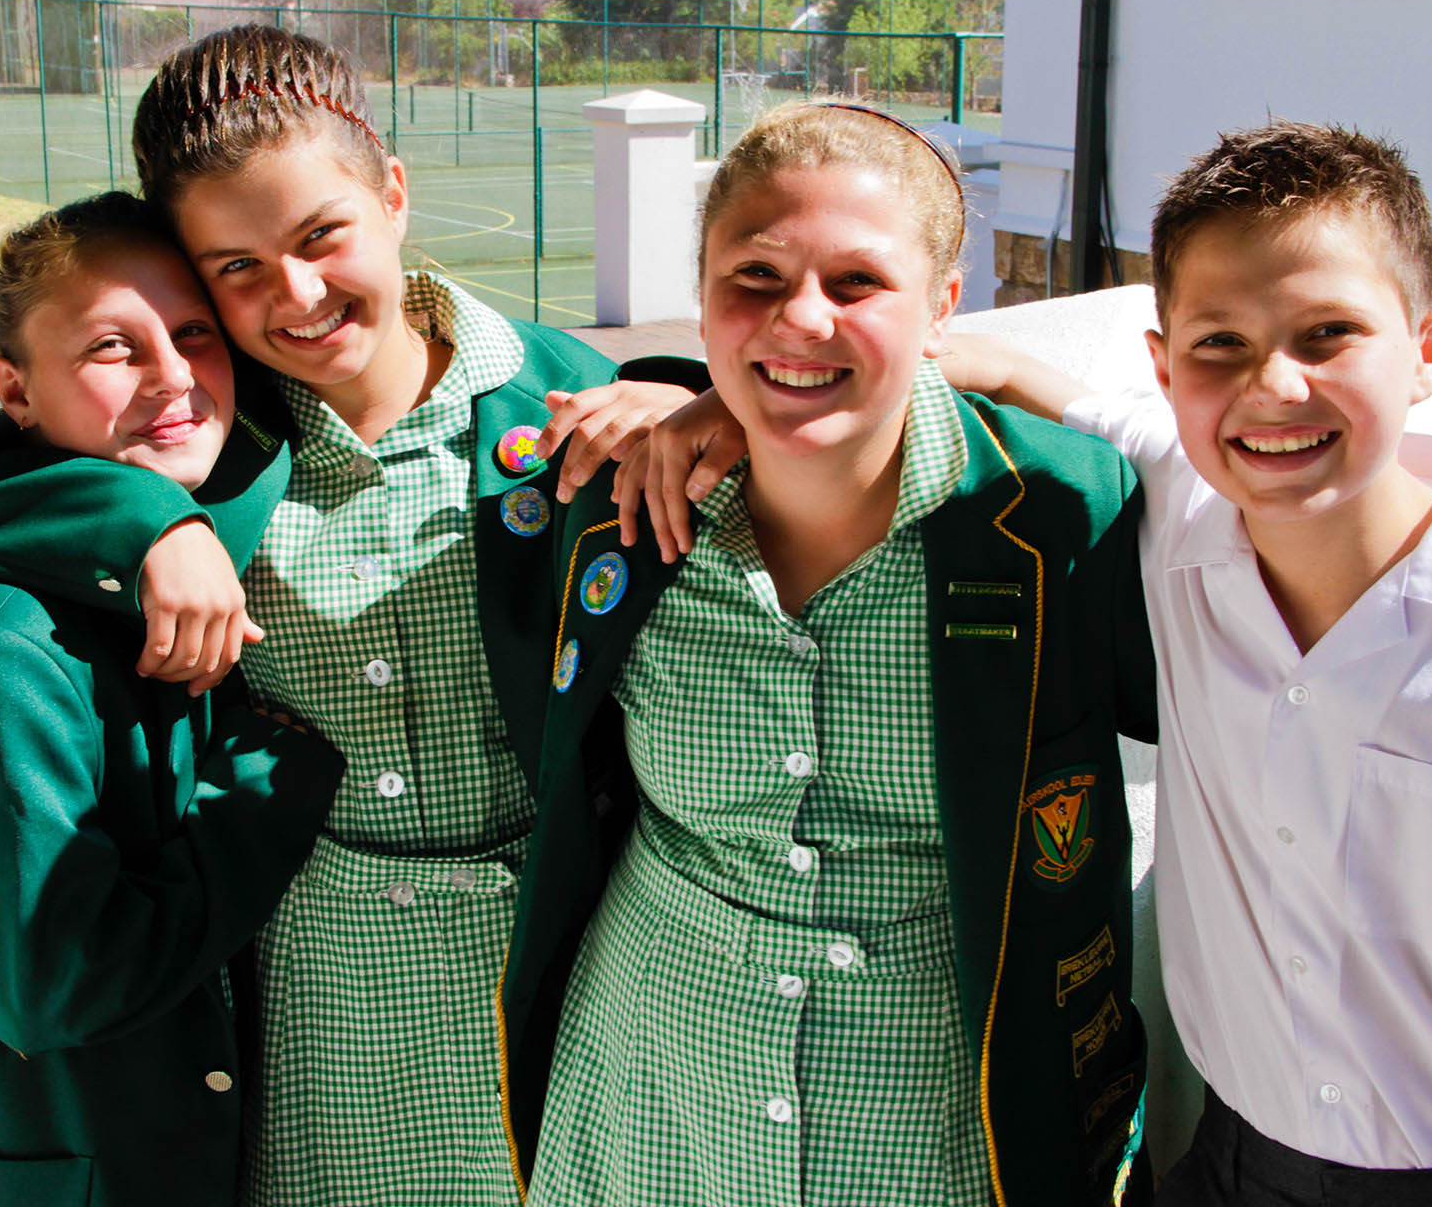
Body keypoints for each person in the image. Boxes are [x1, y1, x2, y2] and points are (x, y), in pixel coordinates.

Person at [0, 25, 697, 1206]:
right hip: (304, 985)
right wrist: (149, 524)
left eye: (321, 235)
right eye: (232, 268)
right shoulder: (222, 433)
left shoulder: (565, 406)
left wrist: (695, 399)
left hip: (553, 966)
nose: (292, 293)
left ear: (391, 193)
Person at [496, 101, 1159, 1207]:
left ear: (944, 305)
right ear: (701, 295)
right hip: (651, 1109)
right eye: (754, 278)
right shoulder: (616, 512)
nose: (800, 318)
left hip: (937, 1132)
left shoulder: (1061, 520)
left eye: (858, 283)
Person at [923, 122, 1432, 1201]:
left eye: (1328, 333)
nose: (1272, 386)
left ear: (1431, 350)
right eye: (1219, 345)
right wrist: (713, 407)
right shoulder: (1183, 509)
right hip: (1236, 1157)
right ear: (1165, 365)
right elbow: (1009, 374)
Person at [0, 193, 343, 1206]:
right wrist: (266, 790)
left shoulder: (216, 502)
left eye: (193, 331)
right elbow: (54, 979)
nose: (175, 375)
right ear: (14, 390)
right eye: (113, 345)